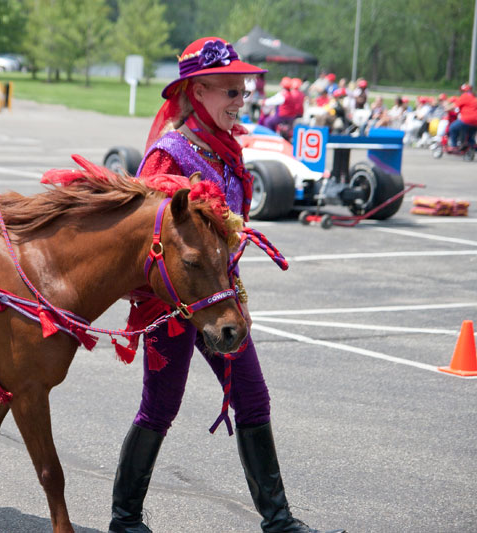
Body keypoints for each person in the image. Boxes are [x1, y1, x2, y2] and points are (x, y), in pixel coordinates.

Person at [108, 36, 346, 533]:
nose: (242, 102)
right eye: (230, 92)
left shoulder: (227, 150)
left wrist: (236, 295)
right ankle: (125, 521)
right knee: (160, 406)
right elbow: (145, 244)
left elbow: (222, 245)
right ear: (196, 92)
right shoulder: (166, 158)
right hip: (169, 307)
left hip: (218, 301)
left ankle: (279, 522)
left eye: (243, 91)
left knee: (253, 398)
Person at [447, 83, 477, 149]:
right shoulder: (474, 97)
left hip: (467, 119)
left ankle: (454, 146)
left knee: (452, 128)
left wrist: (446, 108)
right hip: (475, 122)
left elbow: (454, 106)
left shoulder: (465, 96)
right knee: (470, 137)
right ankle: (472, 147)